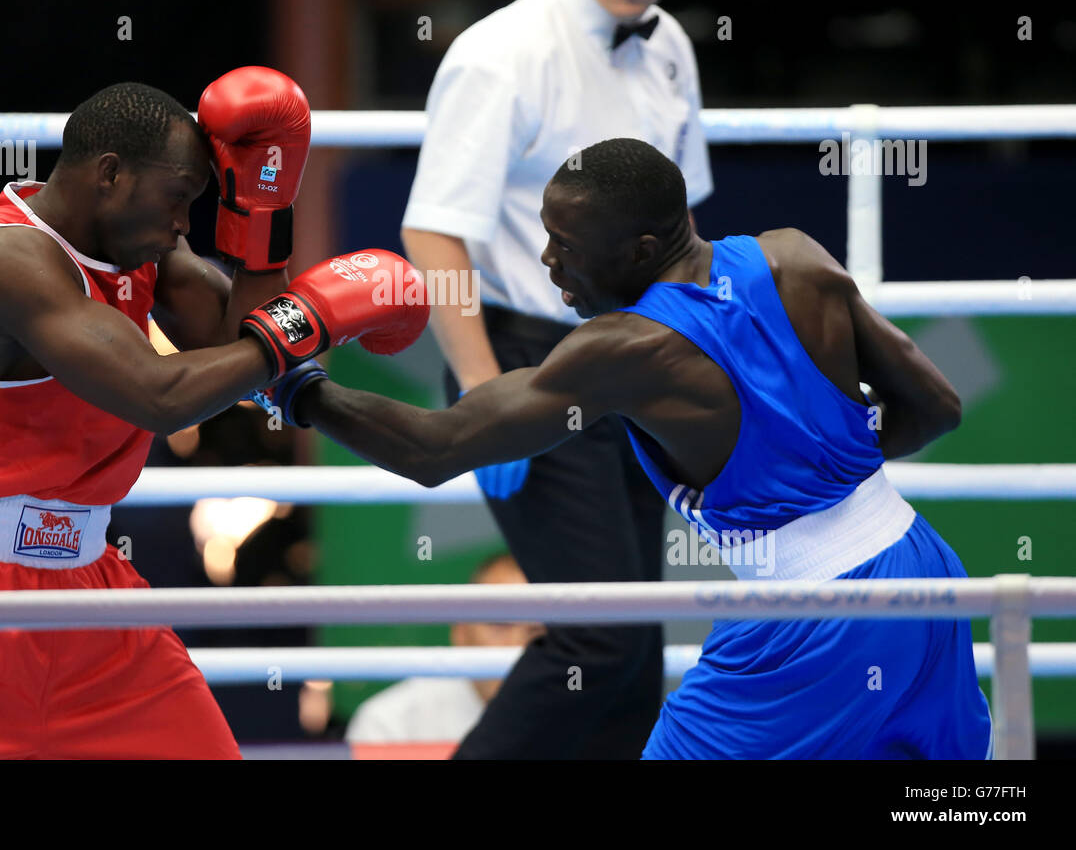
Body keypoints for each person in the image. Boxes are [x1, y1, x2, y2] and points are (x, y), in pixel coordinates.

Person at [277, 137, 994, 760]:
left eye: (569, 246)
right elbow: (937, 408)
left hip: (812, 616)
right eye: (547, 233)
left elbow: (435, 449)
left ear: (642, 250)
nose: (549, 260)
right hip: (922, 571)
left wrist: (296, 382)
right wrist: (822, 468)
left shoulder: (628, 347)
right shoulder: (794, 256)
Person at [0, 72, 428, 759]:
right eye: (178, 199)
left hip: (90, 595)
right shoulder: (2, 259)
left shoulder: (143, 248)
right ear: (110, 174)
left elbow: (244, 347)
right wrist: (311, 315)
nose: (183, 223)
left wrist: (266, 217)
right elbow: (161, 392)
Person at [398, 0, 712, 759]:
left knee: (636, 646)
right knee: (597, 634)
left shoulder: (671, 47)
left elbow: (683, 226)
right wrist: (487, 389)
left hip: (643, 360)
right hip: (533, 359)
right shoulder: (501, 54)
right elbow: (432, 233)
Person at [344, 553, 542, 748]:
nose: (517, 646)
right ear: (461, 632)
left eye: (535, 632)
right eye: (499, 625)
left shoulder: (569, 718)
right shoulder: (391, 724)